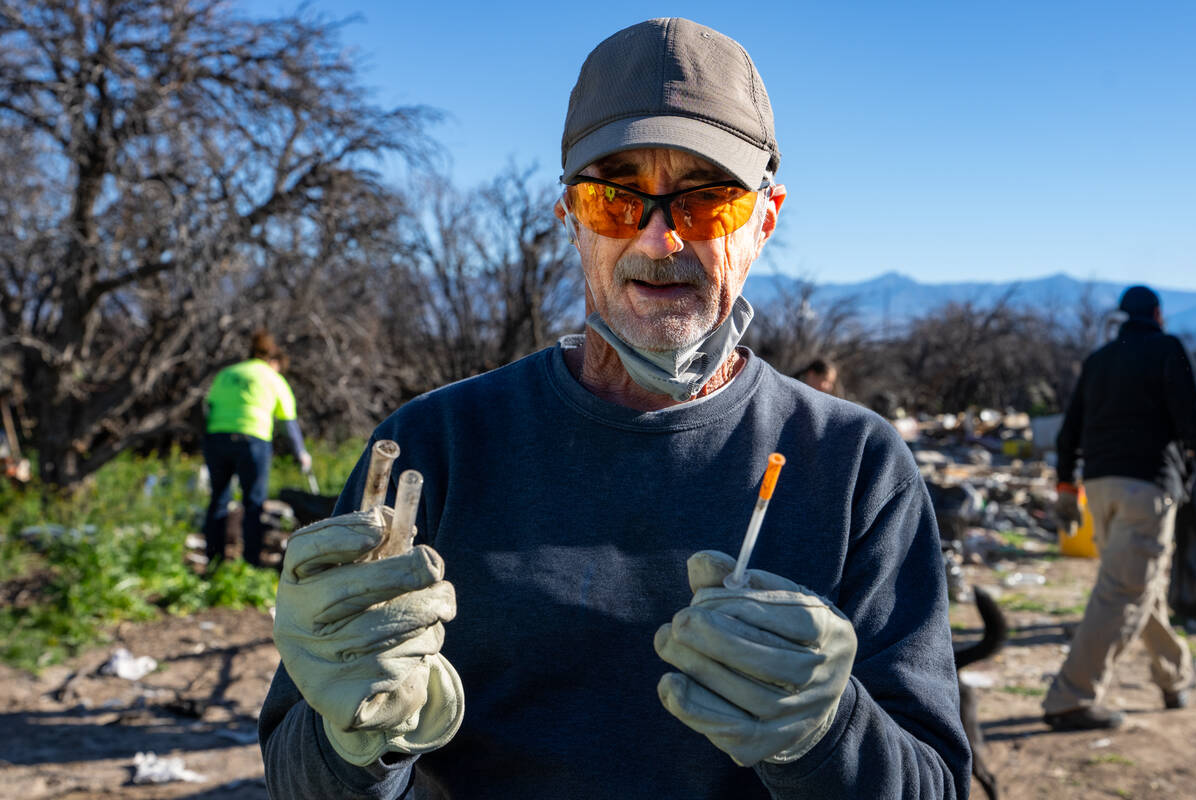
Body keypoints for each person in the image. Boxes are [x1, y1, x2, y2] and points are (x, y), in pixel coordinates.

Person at [260, 18, 970, 798]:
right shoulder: (436, 446)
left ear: (764, 220)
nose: (660, 240)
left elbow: (932, 783)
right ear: (569, 219)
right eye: (614, 199)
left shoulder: (855, 465)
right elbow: (301, 782)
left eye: (707, 202)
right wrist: (357, 740)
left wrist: (828, 732)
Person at [1045, 285, 1196, 730]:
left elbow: (1068, 431)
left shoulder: (1097, 361)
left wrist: (1065, 488)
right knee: (1122, 592)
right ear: (1157, 314)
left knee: (1135, 584)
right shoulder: (1167, 349)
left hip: (1100, 489)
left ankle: (1176, 675)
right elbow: (1190, 421)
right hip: (1147, 487)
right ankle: (1070, 698)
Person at [202, 329, 311, 567]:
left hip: (217, 438)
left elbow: (207, 407)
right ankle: (251, 563)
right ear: (272, 361)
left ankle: (213, 561)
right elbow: (288, 424)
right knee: (253, 502)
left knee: (219, 499)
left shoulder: (228, 373)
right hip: (252, 440)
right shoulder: (273, 378)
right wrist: (301, 453)